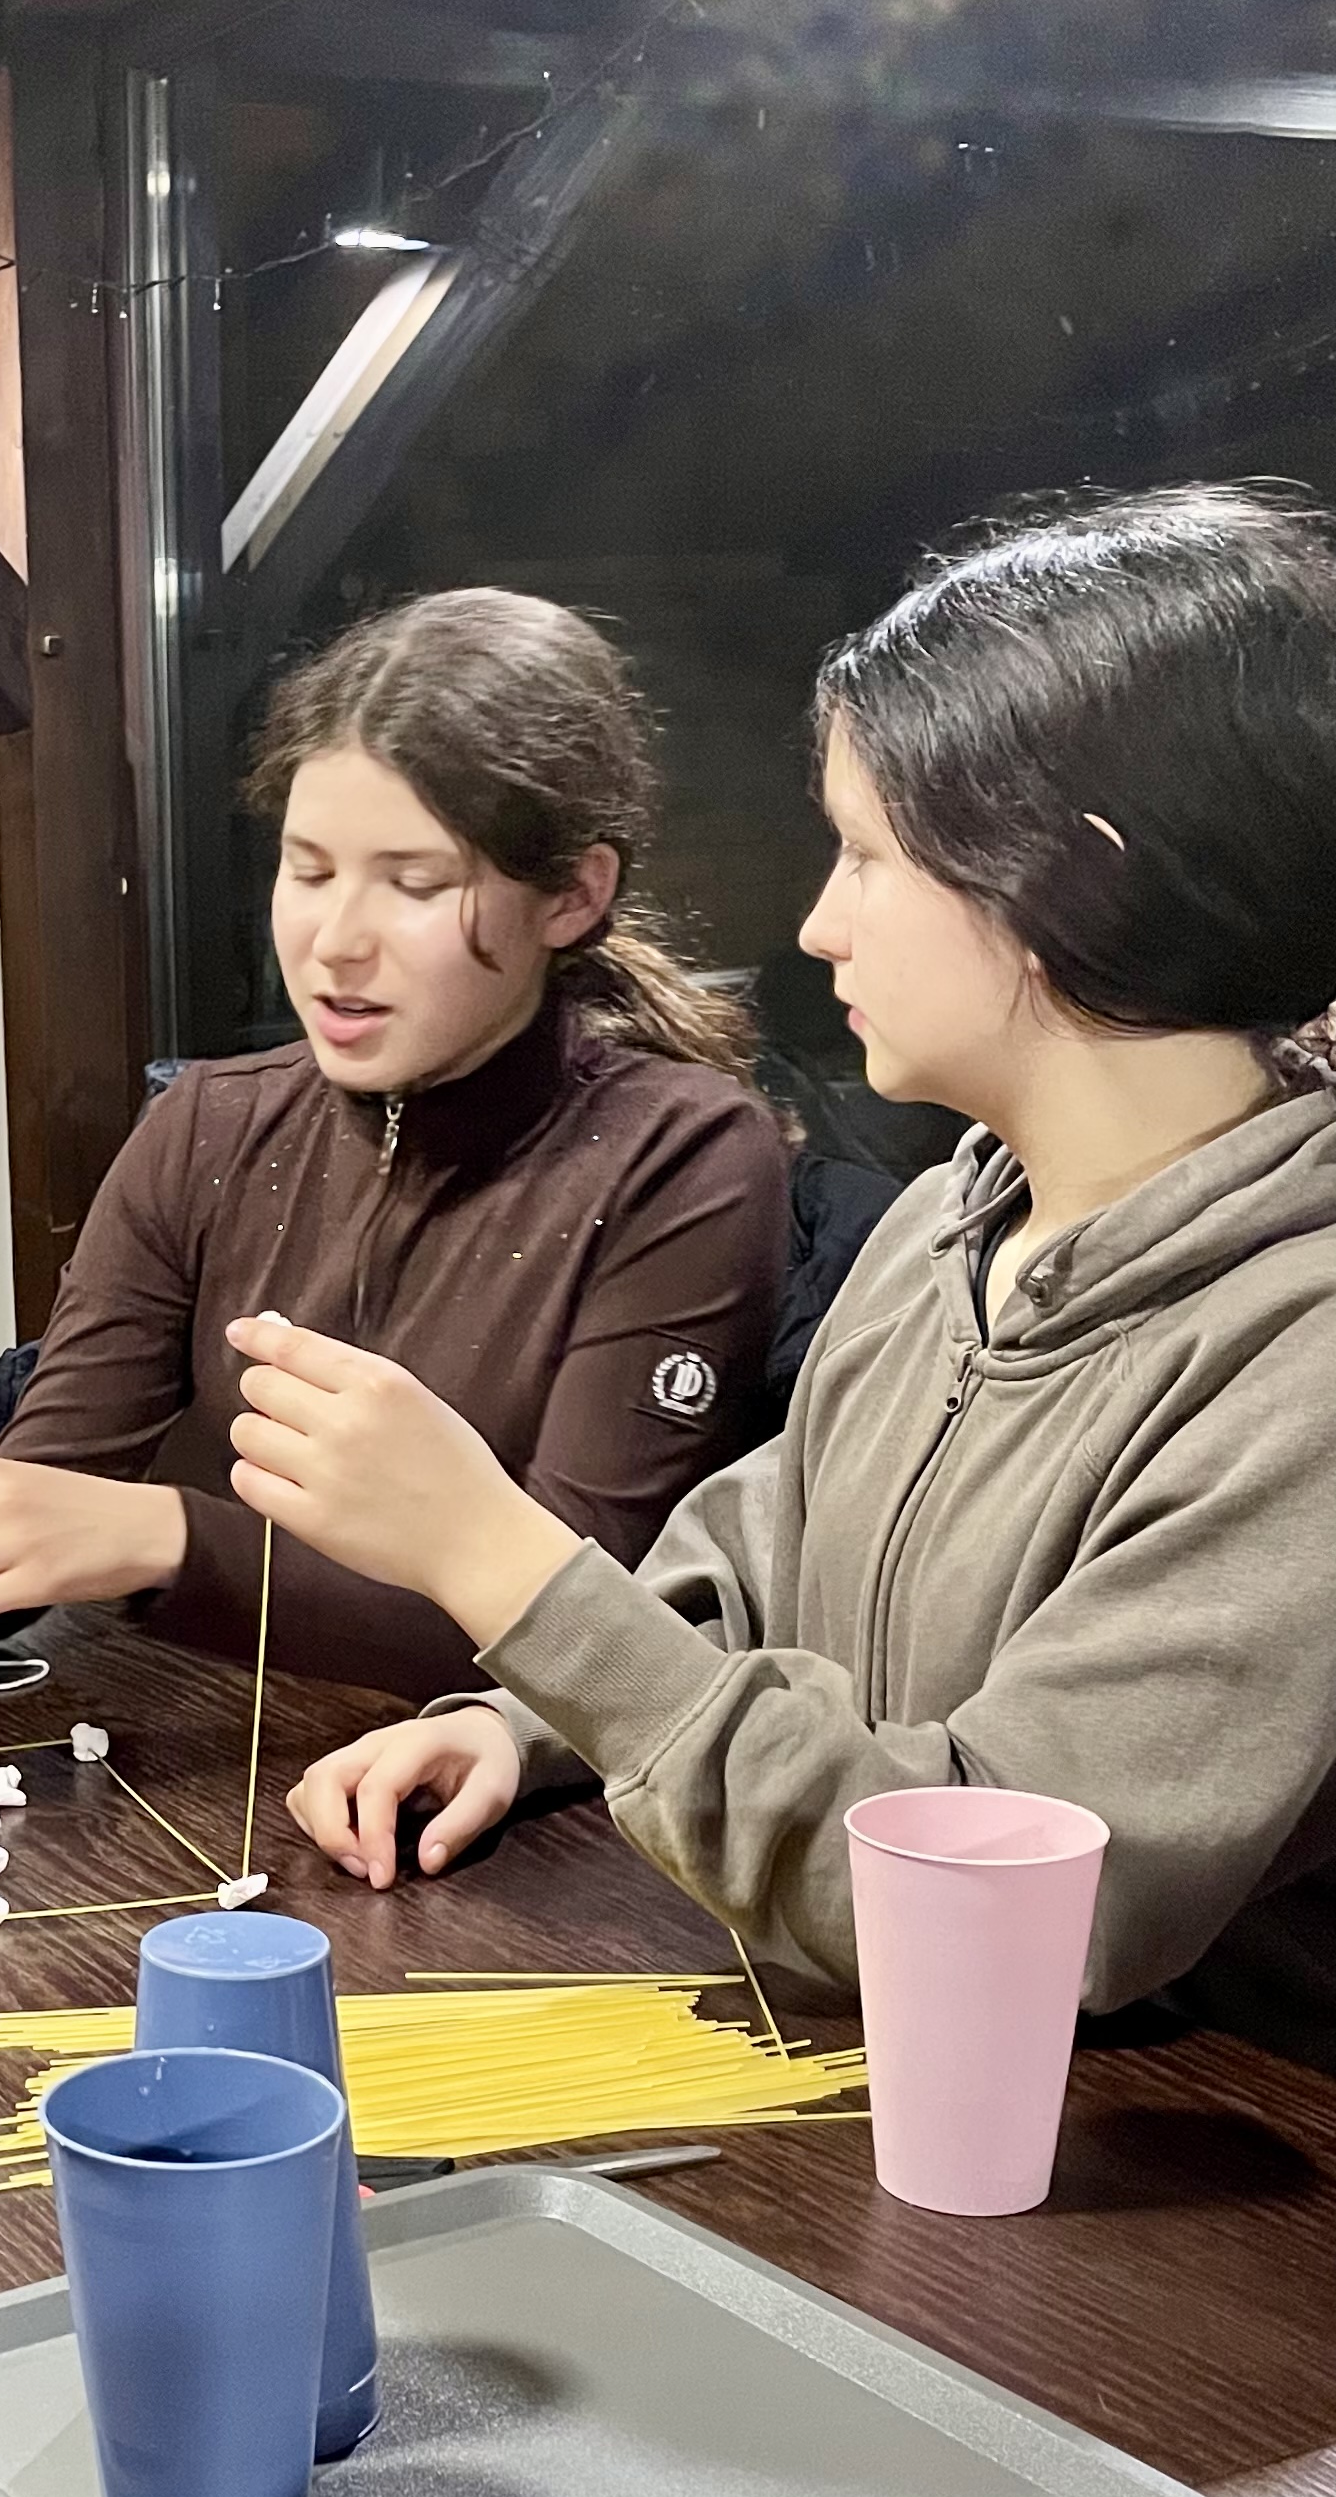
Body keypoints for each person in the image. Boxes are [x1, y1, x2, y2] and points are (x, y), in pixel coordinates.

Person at [256, 482, 1336, 2061]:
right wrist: (523, 1720)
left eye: (868, 856)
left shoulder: (1297, 1364)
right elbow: (744, 1576)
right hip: (879, 2082)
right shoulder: (947, 1228)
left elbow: (996, 1911)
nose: (821, 926)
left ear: (1079, 885)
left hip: (1169, 2160)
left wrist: (490, 1555)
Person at [0, 590, 790, 1709]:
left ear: (574, 897)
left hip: (497, 1803)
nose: (334, 942)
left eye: (414, 883)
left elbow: (595, 1642)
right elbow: (38, 1509)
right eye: (309, 870)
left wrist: (168, 1539)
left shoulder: (682, 1160)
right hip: (209, 1771)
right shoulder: (211, 1126)